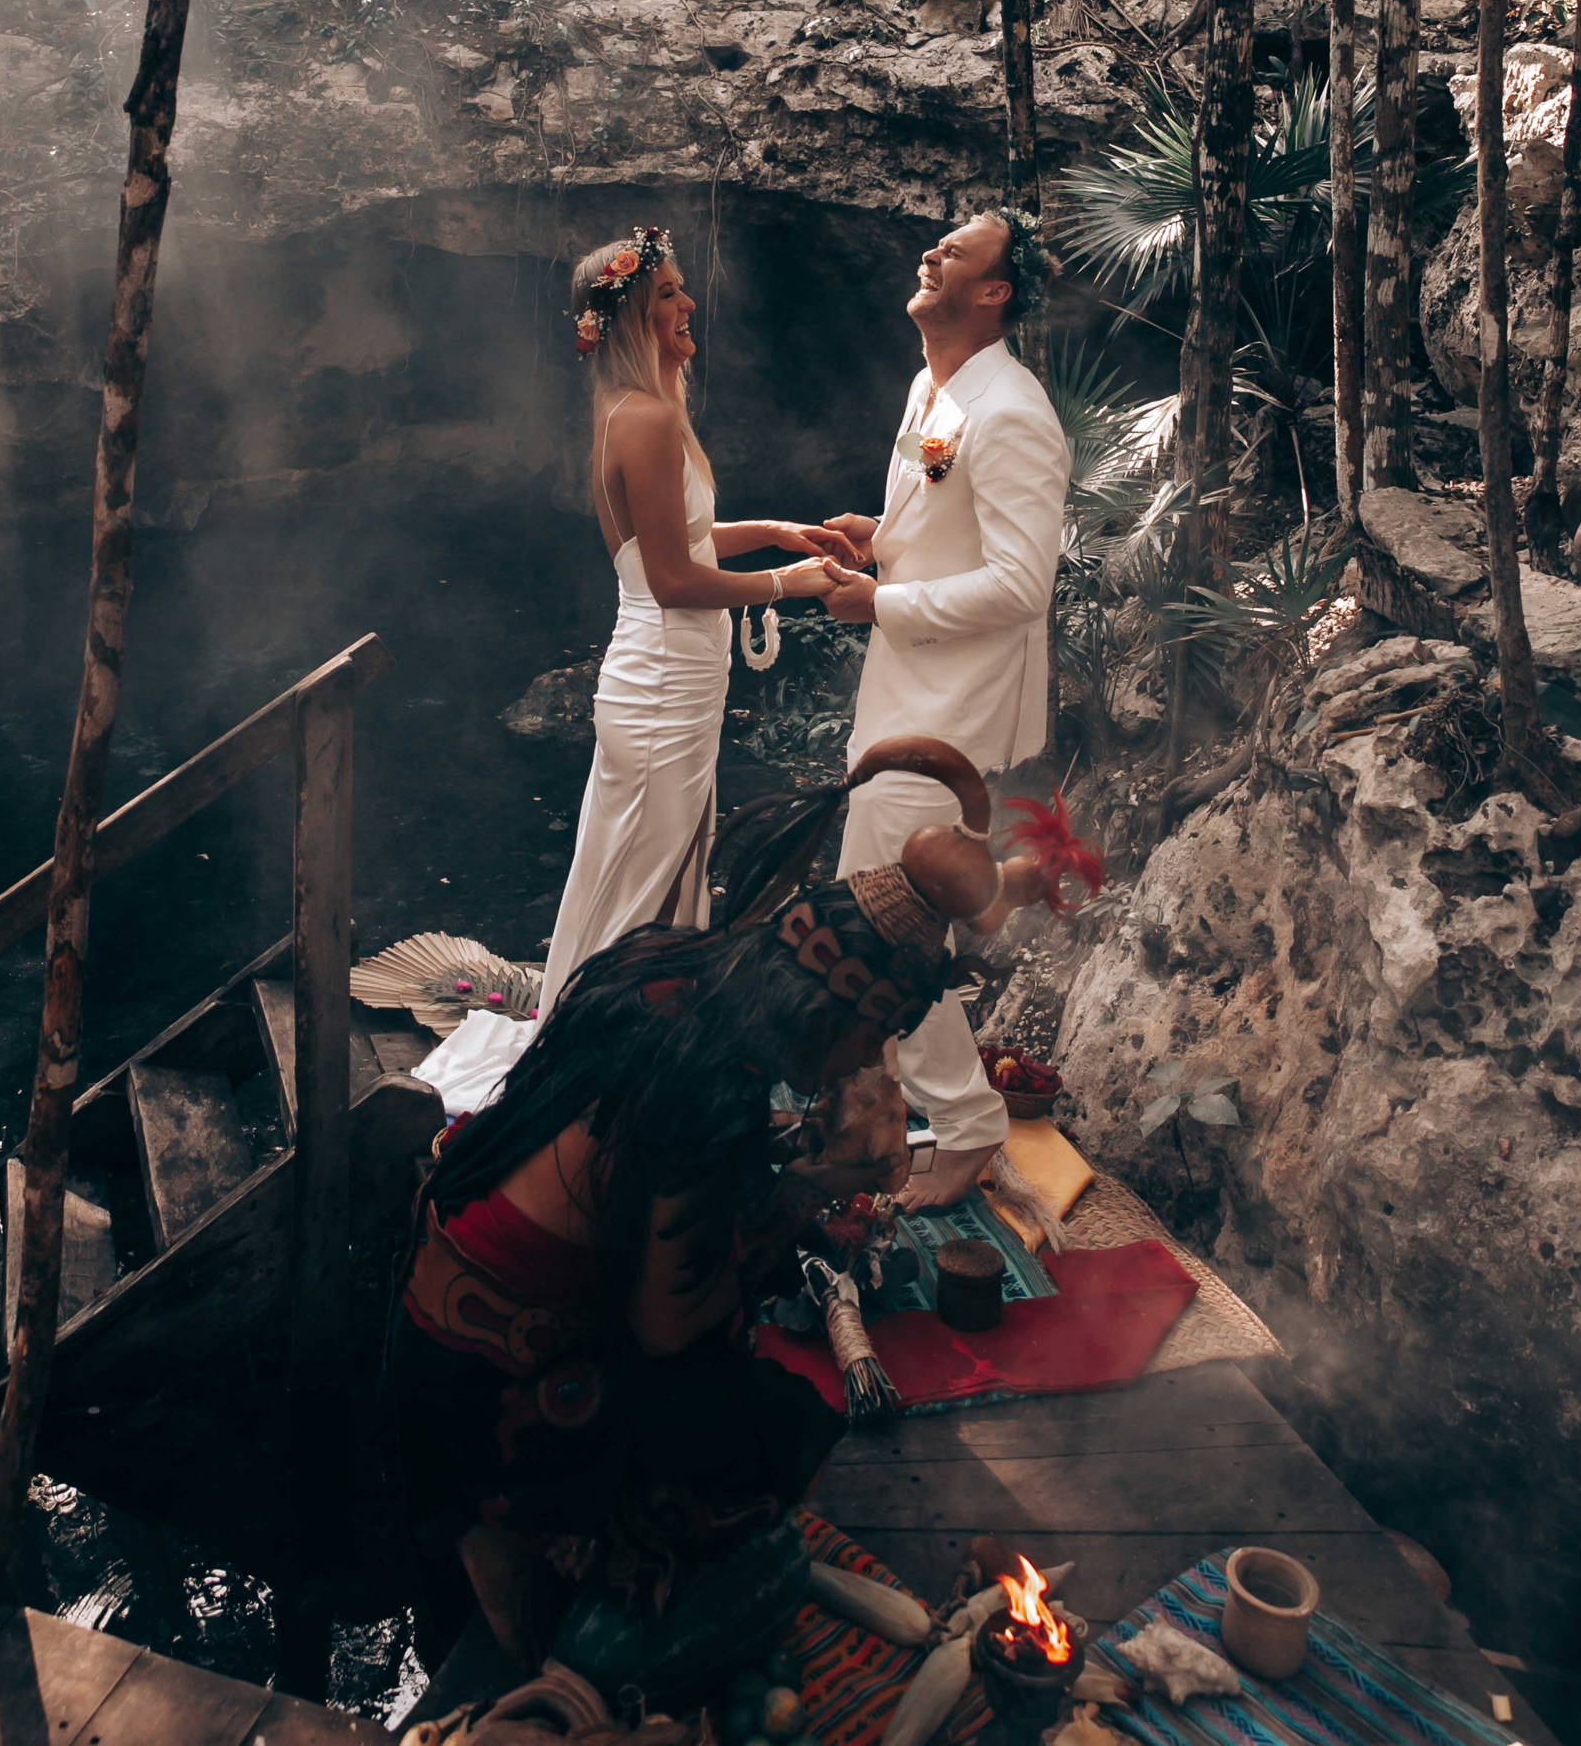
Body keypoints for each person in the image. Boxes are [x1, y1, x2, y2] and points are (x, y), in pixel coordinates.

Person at [385, 741, 995, 1659]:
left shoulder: (671, 967)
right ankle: (521, 1552)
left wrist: (785, 1171)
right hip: (480, 1379)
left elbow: (642, 1195)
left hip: (426, 1317)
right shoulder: (708, 1089)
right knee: (758, 1420)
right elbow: (672, 1330)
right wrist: (814, 1192)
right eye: (871, 1043)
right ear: (843, 1015)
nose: (859, 1068)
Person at [818, 208, 1069, 1207]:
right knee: (867, 912)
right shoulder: (937, 386)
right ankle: (870, 1107)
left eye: (955, 251)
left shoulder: (1011, 413)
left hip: (952, 710)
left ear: (995, 292)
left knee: (885, 920)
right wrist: (876, 541)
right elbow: (937, 516)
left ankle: (962, 1125)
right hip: (901, 695)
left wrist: (879, 601)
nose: (929, 252)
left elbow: (1019, 584)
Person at [540, 224, 855, 1009]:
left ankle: (632, 1039)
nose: (689, 304)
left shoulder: (638, 408)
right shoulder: (644, 418)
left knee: (658, 865)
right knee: (645, 880)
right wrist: (791, 582)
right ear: (632, 320)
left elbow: (678, 540)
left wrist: (775, 532)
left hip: (668, 680)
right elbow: (676, 579)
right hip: (659, 686)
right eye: (669, 294)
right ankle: (603, 1047)